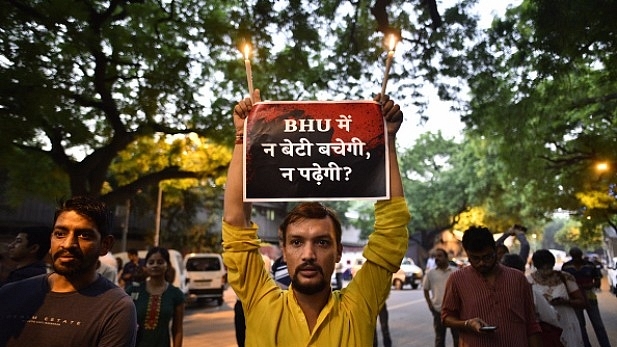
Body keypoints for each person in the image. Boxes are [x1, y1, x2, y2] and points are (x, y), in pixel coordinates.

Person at [222, 89, 409, 346]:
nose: (308, 254)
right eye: (297, 242)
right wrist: (243, 136)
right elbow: (235, 221)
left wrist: (386, 139)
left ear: (339, 251)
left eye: (322, 242)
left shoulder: (359, 306)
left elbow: (392, 230)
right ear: (283, 250)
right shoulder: (260, 300)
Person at [0, 195, 137, 347]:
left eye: (84, 235)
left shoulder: (116, 308)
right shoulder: (9, 294)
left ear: (105, 244)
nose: (68, 244)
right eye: (60, 233)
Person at [441, 226, 542, 347]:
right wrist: (468, 324)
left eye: (487, 257)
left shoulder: (518, 279)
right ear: (467, 253)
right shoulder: (457, 280)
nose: (482, 263)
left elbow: (531, 324)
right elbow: (446, 317)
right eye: (475, 258)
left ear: (495, 250)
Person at [126, 247, 185, 347]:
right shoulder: (133, 291)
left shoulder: (175, 294)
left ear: (167, 265)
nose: (155, 265)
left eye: (160, 262)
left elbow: (177, 329)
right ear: (145, 266)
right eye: (151, 262)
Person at [527, 249, 585, 347]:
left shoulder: (565, 277)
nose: (546, 271)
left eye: (549, 267)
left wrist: (565, 302)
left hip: (567, 323)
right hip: (544, 326)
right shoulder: (529, 280)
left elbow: (581, 302)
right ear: (537, 266)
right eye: (543, 268)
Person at [561, 247, 612, 347]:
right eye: (574, 257)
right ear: (572, 256)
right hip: (575, 299)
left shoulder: (590, 265)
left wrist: (592, 285)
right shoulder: (566, 267)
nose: (576, 259)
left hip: (590, 298)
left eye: (578, 256)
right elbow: (564, 283)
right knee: (580, 326)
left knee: (598, 325)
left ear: (581, 255)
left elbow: (598, 280)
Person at [423, 248, 459, 347]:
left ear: (446, 258)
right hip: (438, 310)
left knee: (457, 337)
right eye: (435, 256)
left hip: (454, 311)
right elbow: (425, 289)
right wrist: (430, 305)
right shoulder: (430, 273)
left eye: (439, 256)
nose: (436, 258)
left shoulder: (455, 272)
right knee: (439, 338)